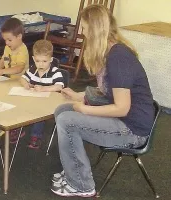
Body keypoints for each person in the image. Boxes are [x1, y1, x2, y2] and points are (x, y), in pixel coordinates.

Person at [51, 5, 154, 198]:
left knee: (68, 120)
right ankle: (75, 170)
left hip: (132, 130)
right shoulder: (109, 53)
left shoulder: (118, 57)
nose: (81, 32)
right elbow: (107, 93)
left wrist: (85, 110)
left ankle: (82, 184)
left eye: (84, 28)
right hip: (124, 119)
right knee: (62, 110)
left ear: (95, 29)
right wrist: (78, 96)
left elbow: (122, 108)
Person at [0, 17, 29, 140]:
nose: (7, 43)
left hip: (21, 83)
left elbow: (19, 68)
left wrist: (2, 71)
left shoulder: (22, 50)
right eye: (5, 40)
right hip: (10, 81)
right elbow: (3, 59)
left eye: (9, 40)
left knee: (15, 106)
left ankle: (15, 129)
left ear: (19, 36)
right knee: (0, 98)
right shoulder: (8, 47)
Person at [20, 39, 66, 148]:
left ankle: (36, 136)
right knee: (19, 105)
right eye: (37, 61)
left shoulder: (55, 72)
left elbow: (59, 86)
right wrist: (25, 84)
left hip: (48, 103)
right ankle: (17, 129)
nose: (40, 64)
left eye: (44, 61)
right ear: (33, 59)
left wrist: (43, 89)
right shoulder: (32, 69)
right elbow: (22, 78)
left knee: (38, 112)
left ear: (51, 59)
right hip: (33, 100)